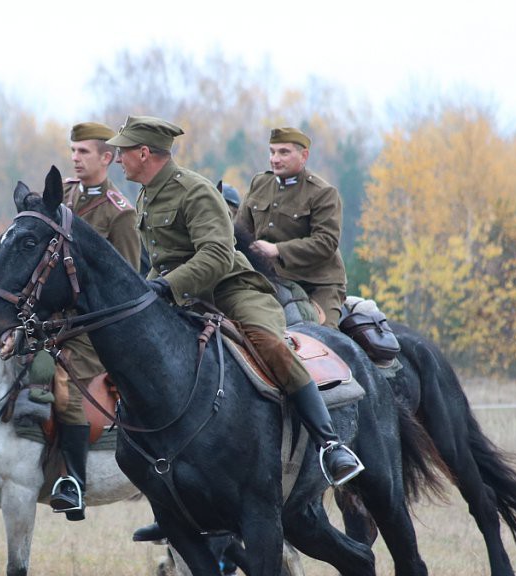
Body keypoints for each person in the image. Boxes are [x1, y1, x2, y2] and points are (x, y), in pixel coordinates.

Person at [105, 116, 363, 542]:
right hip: (183, 297)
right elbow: (158, 259)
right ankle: (168, 496)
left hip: (232, 291)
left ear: (144, 154)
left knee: (272, 347)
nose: (118, 160)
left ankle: (330, 444)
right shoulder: (147, 196)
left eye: (123, 152)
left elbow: (217, 254)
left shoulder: (194, 190)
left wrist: (166, 287)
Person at [49, 122, 141, 521]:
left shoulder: (120, 213)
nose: (75, 158)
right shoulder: (63, 196)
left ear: (106, 158)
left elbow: (127, 280)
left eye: (84, 152)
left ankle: (73, 482)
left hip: (92, 327)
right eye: (72, 151)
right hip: (53, 319)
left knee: (64, 384)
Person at [236, 127, 346, 328]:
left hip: (316, 284)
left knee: (323, 341)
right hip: (268, 279)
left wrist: (277, 250)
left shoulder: (323, 193)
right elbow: (240, 231)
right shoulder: (260, 183)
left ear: (304, 156)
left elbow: (326, 243)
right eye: (272, 152)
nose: (275, 159)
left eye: (283, 152)